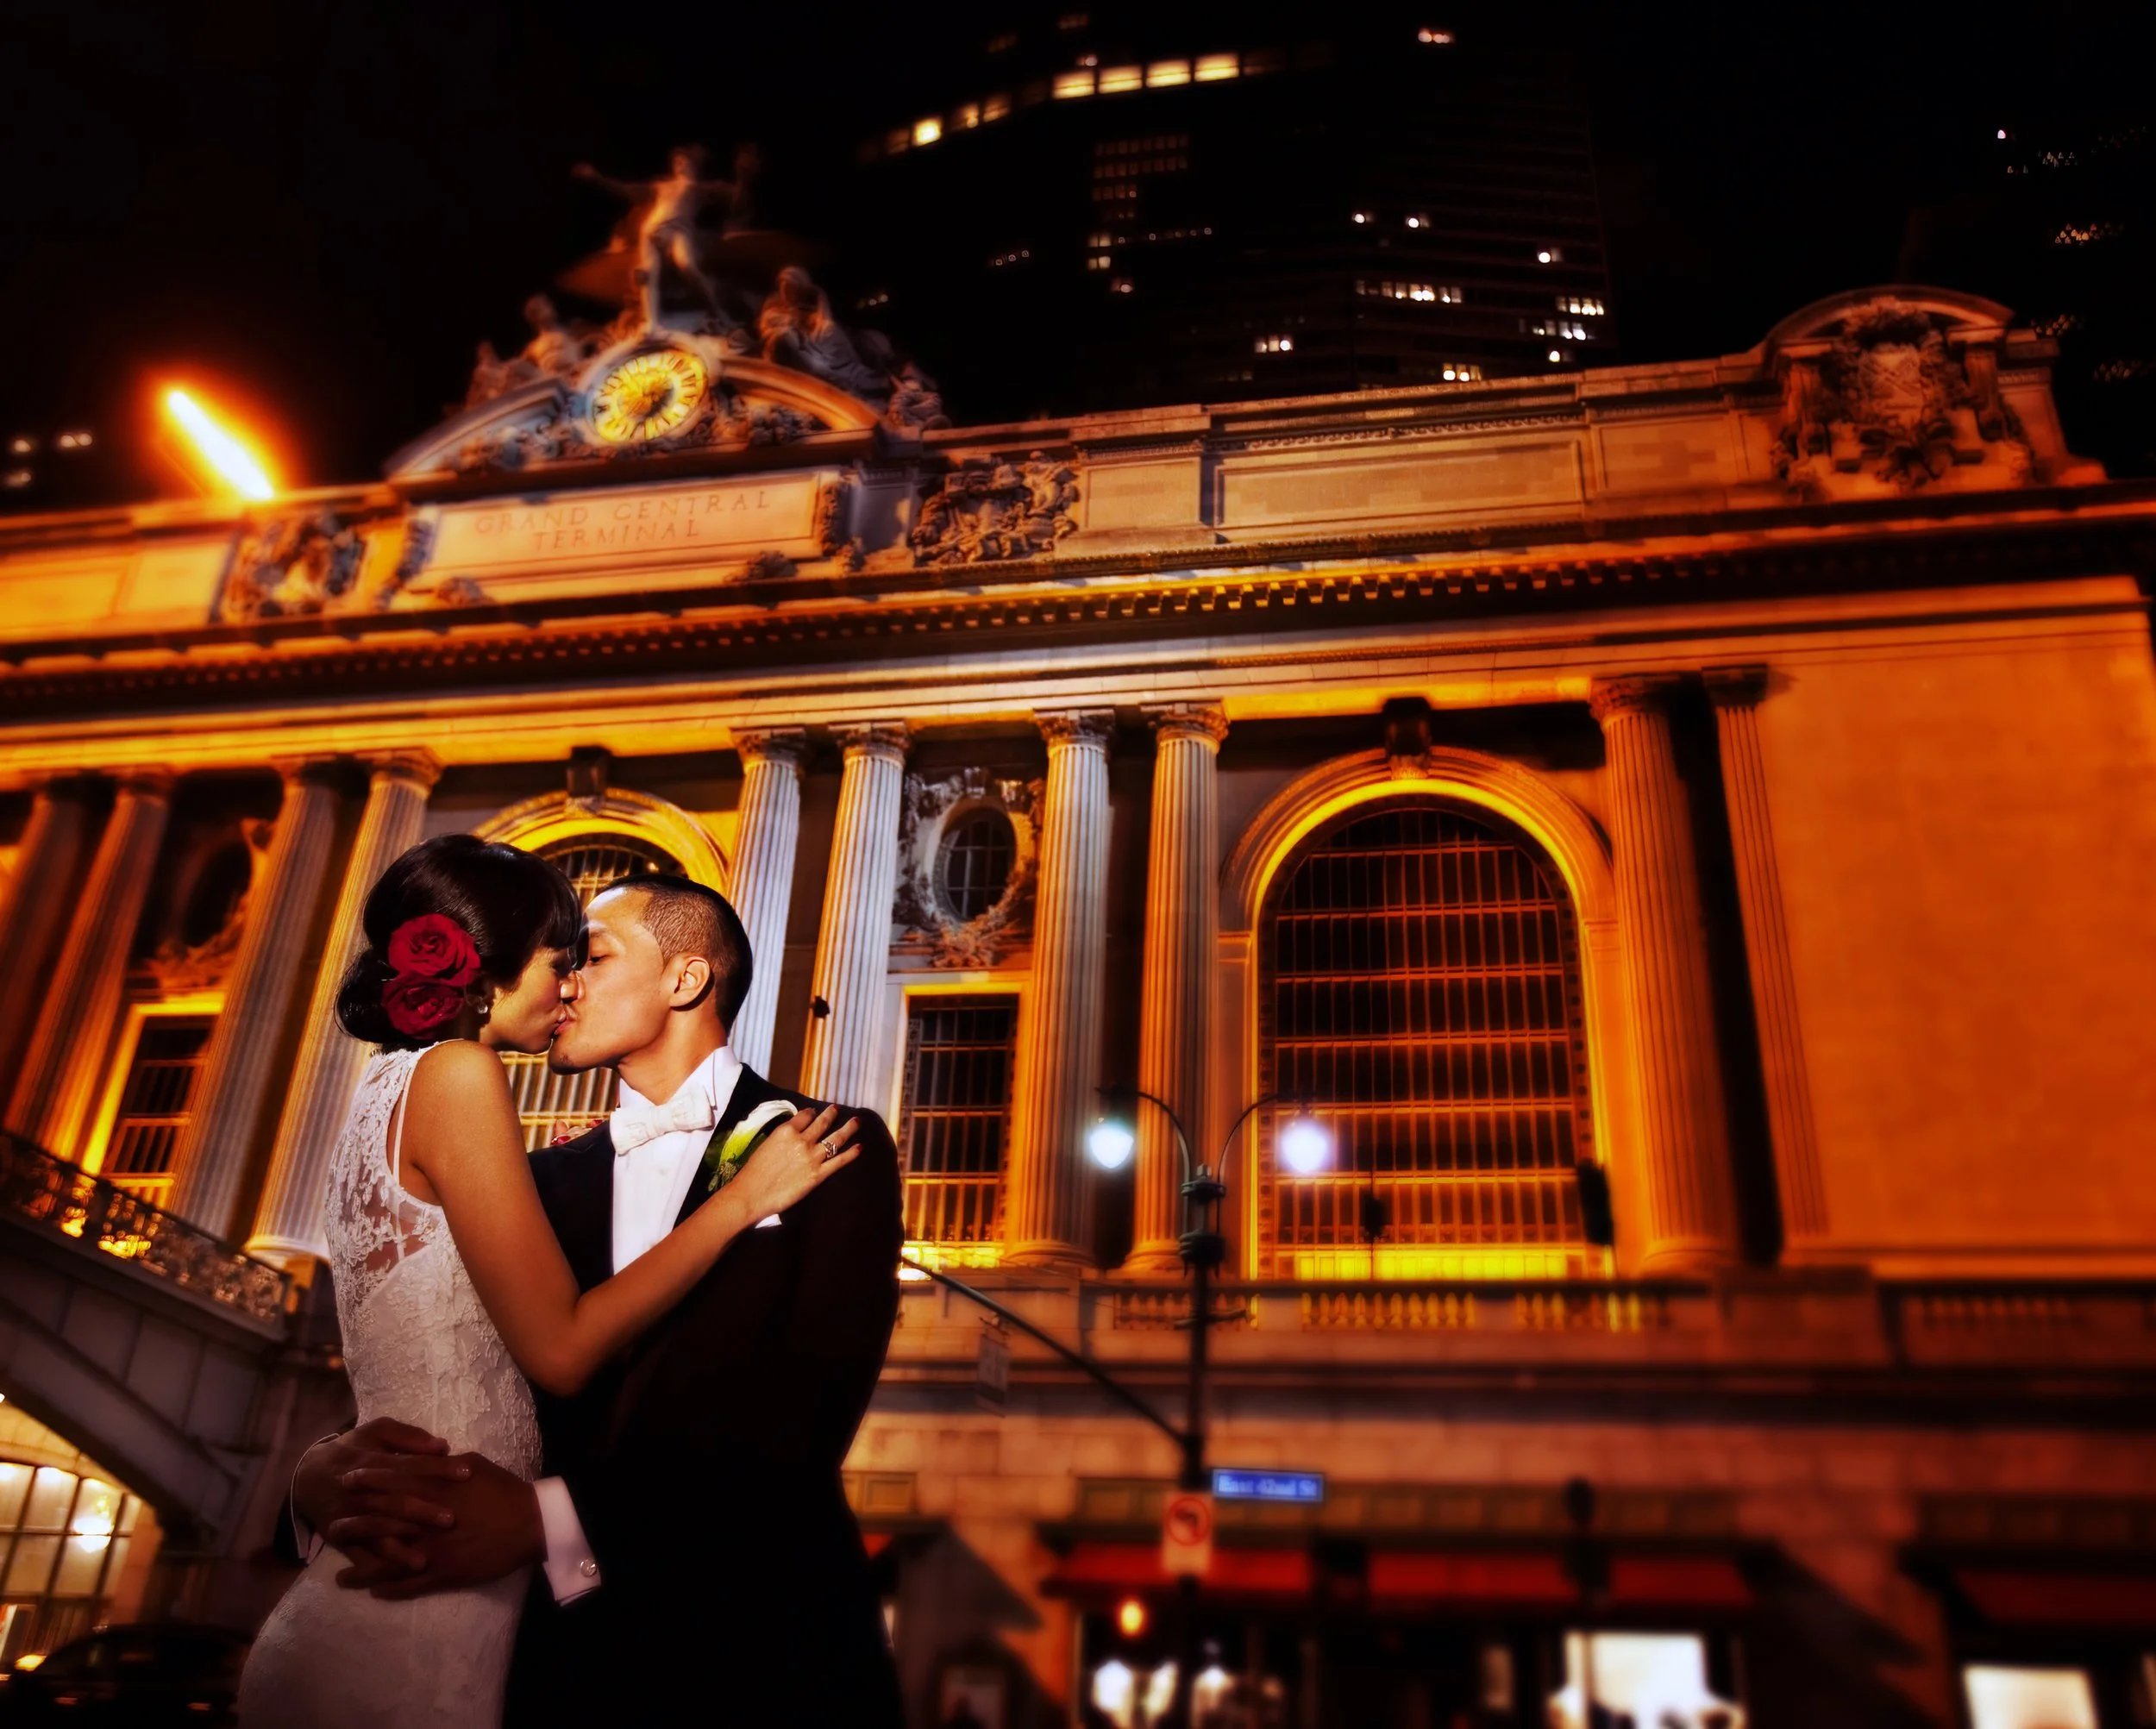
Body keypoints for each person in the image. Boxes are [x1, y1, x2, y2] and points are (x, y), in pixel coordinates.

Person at [238, 839, 865, 1728]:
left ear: (685, 980)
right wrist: (309, 1483)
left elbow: (792, 1432)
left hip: (736, 1664)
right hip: (517, 1653)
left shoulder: (821, 1144)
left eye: (591, 959)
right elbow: (475, 1368)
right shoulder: (524, 1161)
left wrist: (551, 1528)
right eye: (559, 960)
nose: (569, 986)